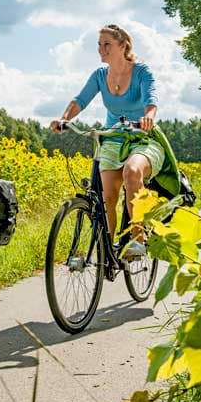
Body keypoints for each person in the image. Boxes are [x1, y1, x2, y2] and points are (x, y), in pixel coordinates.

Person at [50, 24, 163, 259]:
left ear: (123, 46)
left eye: (107, 44)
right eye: (99, 45)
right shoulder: (100, 76)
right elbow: (80, 100)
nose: (101, 49)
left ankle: (138, 239)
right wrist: (64, 119)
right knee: (107, 197)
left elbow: (151, 100)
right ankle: (107, 251)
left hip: (142, 137)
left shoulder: (141, 72)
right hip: (113, 138)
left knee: (132, 173)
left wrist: (148, 118)